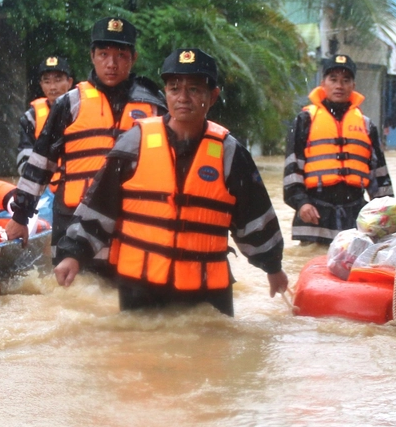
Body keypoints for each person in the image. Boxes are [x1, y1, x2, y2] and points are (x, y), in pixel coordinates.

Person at [54, 48, 288, 315]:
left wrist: (273, 267)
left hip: (205, 290)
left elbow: (255, 217)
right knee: (134, 342)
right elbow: (99, 205)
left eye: (194, 89)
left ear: (213, 96)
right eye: (175, 88)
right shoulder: (134, 142)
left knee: (216, 340)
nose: (183, 98)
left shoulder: (230, 153)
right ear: (165, 92)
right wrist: (73, 254)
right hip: (140, 286)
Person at [4, 17, 166, 265]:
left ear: (133, 58)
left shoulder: (154, 106)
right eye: (103, 54)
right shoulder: (69, 103)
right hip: (72, 220)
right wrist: (20, 217)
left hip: (132, 223)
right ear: (92, 56)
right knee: (73, 288)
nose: (111, 64)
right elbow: (40, 163)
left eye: (121, 55)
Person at [284, 54, 393, 245]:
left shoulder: (367, 126)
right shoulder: (304, 121)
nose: (339, 86)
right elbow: (292, 171)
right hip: (314, 216)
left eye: (345, 80)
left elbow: (379, 176)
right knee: (309, 259)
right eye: (333, 79)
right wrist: (301, 203)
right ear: (323, 83)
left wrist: (389, 214)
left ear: (353, 85)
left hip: (355, 216)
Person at [17, 54, 75, 174]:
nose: (52, 87)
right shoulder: (31, 117)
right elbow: (24, 158)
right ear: (41, 85)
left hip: (77, 179)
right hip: (44, 182)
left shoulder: (80, 110)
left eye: (58, 80)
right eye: (47, 81)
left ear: (69, 82)